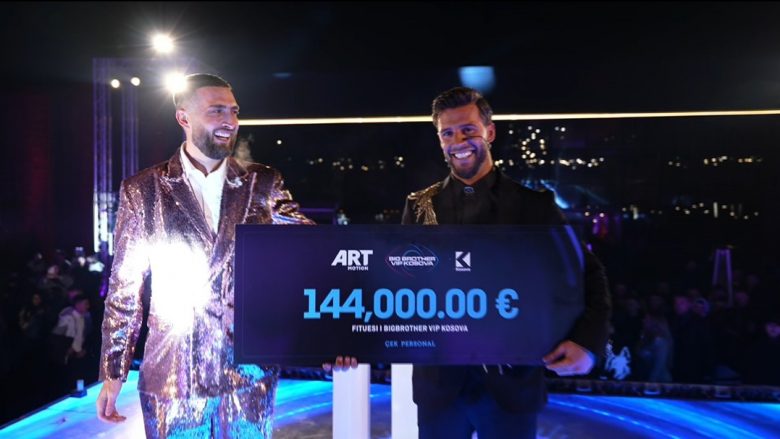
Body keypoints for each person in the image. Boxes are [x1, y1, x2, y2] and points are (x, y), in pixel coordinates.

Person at [95, 73, 314, 438]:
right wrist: (113, 370)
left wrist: (327, 334)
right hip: (173, 375)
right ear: (184, 117)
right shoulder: (144, 189)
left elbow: (313, 253)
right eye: (217, 110)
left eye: (234, 111)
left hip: (249, 375)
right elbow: (124, 288)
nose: (230, 121)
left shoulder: (262, 183)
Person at [401, 87, 611, 438]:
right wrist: (345, 341)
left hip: (511, 384)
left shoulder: (534, 206)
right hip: (439, 385)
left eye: (468, 130)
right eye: (447, 133)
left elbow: (589, 273)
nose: (458, 141)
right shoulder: (420, 206)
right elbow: (400, 282)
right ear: (439, 140)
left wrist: (587, 342)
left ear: (490, 131)